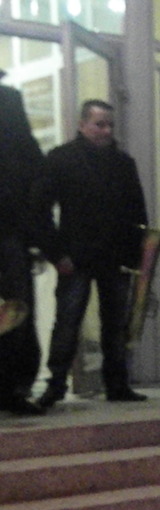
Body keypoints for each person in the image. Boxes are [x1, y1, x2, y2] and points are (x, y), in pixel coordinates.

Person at [33, 100, 149, 408]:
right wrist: (56, 253)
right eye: (100, 124)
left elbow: (137, 211)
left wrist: (135, 254)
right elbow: (40, 210)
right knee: (67, 322)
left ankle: (117, 384)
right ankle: (56, 384)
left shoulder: (123, 163)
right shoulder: (61, 159)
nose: (107, 130)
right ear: (82, 125)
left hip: (115, 255)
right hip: (76, 255)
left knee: (116, 325)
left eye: (110, 125)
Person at [0, 70, 45, 415]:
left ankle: (13, 387)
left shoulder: (8, 102)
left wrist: (34, 234)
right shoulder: (10, 102)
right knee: (16, 307)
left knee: (16, 309)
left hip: (9, 227)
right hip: (11, 229)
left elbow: (31, 169)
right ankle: (14, 389)